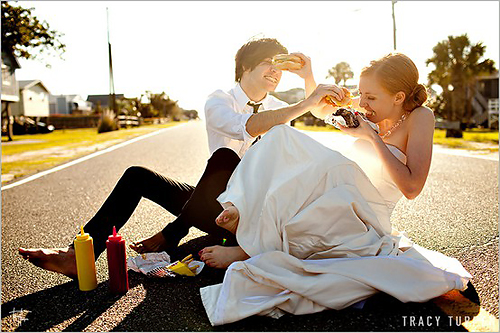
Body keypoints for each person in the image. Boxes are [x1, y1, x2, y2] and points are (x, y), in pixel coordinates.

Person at [18, 37, 344, 278]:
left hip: (257, 215)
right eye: (268, 63)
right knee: (145, 173)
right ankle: (80, 258)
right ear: (246, 66)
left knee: (226, 162)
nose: (276, 72)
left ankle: (173, 233)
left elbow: (321, 109)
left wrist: (307, 76)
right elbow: (249, 127)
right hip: (217, 209)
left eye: (280, 66)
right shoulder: (219, 101)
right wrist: (302, 104)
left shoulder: (278, 107)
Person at [199, 53, 472, 325]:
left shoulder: (420, 117)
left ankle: (249, 249)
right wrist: (308, 76)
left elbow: (412, 187)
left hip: (367, 217)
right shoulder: (372, 108)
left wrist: (371, 137)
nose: (361, 103)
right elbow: (322, 110)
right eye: (360, 94)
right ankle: (242, 212)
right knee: (281, 136)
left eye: (370, 97)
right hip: (340, 202)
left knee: (327, 173)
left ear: (399, 97)